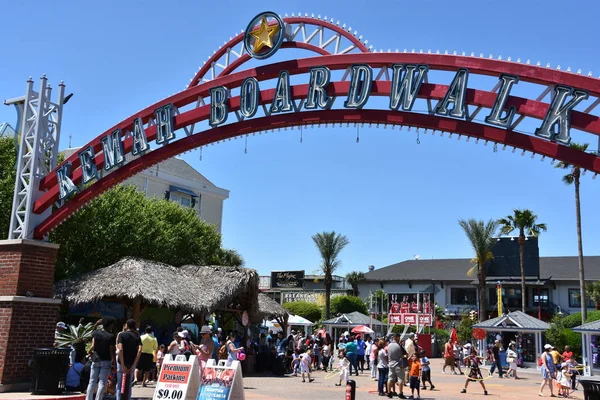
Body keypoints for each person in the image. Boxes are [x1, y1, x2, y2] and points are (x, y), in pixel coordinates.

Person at [85, 317, 116, 400]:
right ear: (110, 325)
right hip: (106, 360)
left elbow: (91, 332)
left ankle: (88, 398)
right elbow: (112, 351)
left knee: (92, 381)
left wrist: (96, 324)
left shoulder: (97, 333)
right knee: (102, 382)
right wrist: (115, 363)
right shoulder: (111, 336)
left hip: (95, 359)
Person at [117, 319, 142, 400]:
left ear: (127, 325)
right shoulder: (137, 336)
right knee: (128, 384)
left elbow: (120, 349)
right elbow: (140, 350)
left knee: (120, 384)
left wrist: (123, 364)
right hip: (131, 363)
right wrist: (134, 364)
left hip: (121, 363)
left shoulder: (122, 335)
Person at [387, 333, 407, 399]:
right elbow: (405, 354)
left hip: (391, 364)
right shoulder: (399, 345)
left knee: (390, 378)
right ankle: (400, 393)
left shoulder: (389, 345)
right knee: (400, 379)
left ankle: (389, 392)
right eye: (399, 337)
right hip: (398, 364)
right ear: (397, 337)